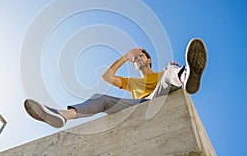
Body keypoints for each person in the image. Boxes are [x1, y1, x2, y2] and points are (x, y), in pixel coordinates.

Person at [24, 38, 207, 128]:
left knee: (171, 71)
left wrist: (173, 73)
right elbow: (107, 77)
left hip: (161, 93)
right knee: (101, 98)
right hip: (140, 105)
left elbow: (167, 79)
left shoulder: (161, 73)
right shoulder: (132, 82)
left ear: (149, 60)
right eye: (135, 59)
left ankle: (187, 76)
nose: (137, 59)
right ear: (133, 65)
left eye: (140, 56)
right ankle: (62, 115)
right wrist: (125, 57)